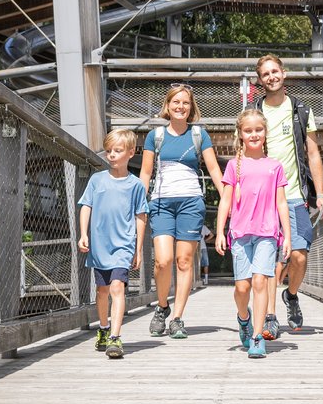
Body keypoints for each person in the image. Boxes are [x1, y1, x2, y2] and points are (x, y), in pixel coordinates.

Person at [254, 54, 323, 338]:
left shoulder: (301, 110)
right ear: (260, 80)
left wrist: (320, 194)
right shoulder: (254, 111)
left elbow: (313, 153)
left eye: (275, 71)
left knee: (298, 256)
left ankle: (292, 294)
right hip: (264, 199)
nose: (271, 77)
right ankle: (270, 317)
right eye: (265, 74)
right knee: (270, 261)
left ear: (283, 74)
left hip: (295, 196)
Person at [140, 84, 224, 339]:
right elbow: (146, 172)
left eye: (185, 102)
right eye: (176, 102)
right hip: (161, 203)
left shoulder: (199, 134)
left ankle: (176, 318)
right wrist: (139, 201)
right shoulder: (155, 136)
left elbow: (213, 169)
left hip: (190, 202)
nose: (180, 106)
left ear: (191, 107)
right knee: (163, 260)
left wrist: (227, 198)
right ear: (168, 105)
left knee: (184, 261)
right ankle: (162, 306)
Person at [215, 108, 290, 358]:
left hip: (267, 232)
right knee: (242, 288)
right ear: (241, 134)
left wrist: (287, 236)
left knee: (260, 281)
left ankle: (257, 337)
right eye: (248, 130)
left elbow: (281, 203)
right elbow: (225, 201)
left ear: (266, 132)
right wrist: (219, 231)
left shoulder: (275, 167)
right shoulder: (233, 166)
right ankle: (243, 318)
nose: (254, 134)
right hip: (240, 233)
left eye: (258, 129)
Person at [77, 129, 148, 359]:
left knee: (117, 287)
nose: (112, 155)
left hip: (123, 245)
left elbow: (141, 216)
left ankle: (115, 338)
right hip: (100, 246)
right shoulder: (96, 180)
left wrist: (138, 249)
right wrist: (83, 233)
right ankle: (104, 328)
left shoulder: (136, 185)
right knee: (102, 291)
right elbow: (86, 205)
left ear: (131, 153)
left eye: (117, 150)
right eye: (109, 151)